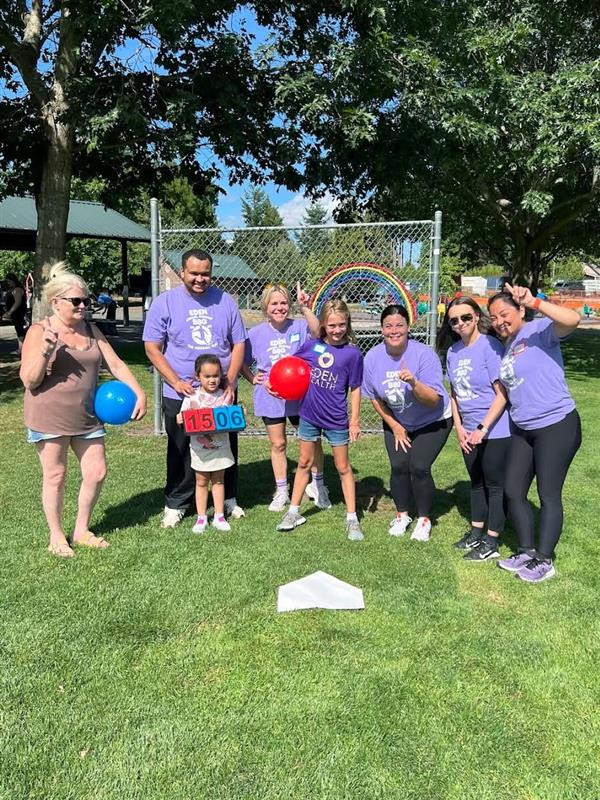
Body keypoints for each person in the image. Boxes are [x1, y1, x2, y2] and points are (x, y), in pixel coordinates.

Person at [19, 263, 147, 557]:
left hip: (87, 415)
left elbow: (115, 364)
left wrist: (138, 391)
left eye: (86, 300)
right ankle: (56, 536)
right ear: (56, 302)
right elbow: (29, 380)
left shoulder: (91, 330)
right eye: (76, 301)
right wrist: (45, 352)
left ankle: (81, 529)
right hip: (49, 415)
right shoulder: (40, 331)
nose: (83, 306)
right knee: (56, 475)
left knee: (97, 471)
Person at [143, 249, 247, 527]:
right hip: (181, 393)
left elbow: (239, 343)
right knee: (180, 449)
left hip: (220, 392)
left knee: (225, 444)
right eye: (194, 273)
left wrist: (233, 378)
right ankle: (177, 503)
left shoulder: (226, 301)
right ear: (182, 272)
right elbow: (152, 347)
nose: (200, 279)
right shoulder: (164, 303)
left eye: (205, 273)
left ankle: (228, 498)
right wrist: (175, 381)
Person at [489, 284, 582, 582]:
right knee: (513, 490)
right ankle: (527, 550)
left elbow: (572, 319)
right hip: (523, 428)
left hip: (556, 424)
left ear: (519, 310)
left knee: (548, 494)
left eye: (504, 314)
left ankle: (545, 559)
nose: (500, 321)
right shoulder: (508, 346)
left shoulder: (541, 329)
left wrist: (536, 302)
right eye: (494, 317)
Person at [362, 304, 452, 542]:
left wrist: (413, 383)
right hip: (398, 420)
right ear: (381, 329)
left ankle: (424, 518)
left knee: (419, 467)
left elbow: (434, 400)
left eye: (399, 325)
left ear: (408, 327)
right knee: (399, 465)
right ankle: (403, 515)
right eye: (388, 326)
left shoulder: (423, 355)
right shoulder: (372, 357)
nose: (394, 330)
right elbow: (374, 397)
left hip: (433, 419)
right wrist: (395, 426)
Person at [276, 299, 364, 540]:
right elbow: (291, 368)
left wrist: (354, 421)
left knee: (343, 467)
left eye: (342, 325)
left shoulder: (352, 354)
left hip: (336, 419)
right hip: (309, 416)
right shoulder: (311, 346)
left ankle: (352, 518)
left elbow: (355, 388)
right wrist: (277, 386)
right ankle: (293, 512)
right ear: (323, 324)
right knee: (304, 463)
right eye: (332, 325)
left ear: (348, 323)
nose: (337, 330)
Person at [241, 282, 330, 511]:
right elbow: (241, 359)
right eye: (274, 303)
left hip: (301, 394)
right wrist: (253, 378)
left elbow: (319, 333)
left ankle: (318, 485)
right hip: (271, 396)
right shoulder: (255, 333)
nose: (279, 307)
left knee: (311, 441)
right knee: (278, 443)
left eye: (283, 303)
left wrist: (305, 308)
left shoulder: (299, 326)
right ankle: (281, 490)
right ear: (265, 306)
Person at [439, 298, 510, 561]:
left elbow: (502, 394)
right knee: (476, 482)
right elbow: (455, 395)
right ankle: (476, 532)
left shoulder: (490, 346)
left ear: (477, 316)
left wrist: (483, 427)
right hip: (468, 431)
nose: (461, 324)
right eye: (454, 320)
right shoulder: (453, 351)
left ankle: (492, 540)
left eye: (466, 318)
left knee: (494, 484)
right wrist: (459, 428)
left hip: (495, 430)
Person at [178, 354, 235, 534]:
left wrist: (236, 415)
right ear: (198, 377)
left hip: (221, 448)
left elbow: (230, 419)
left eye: (216, 376)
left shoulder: (225, 396)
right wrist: (180, 418)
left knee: (219, 480)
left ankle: (219, 515)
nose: (212, 380)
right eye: (207, 376)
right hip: (199, 448)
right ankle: (201, 517)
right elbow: (183, 417)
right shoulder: (192, 397)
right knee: (201, 481)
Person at [2, 273, 29, 352]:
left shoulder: (17, 290)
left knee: (20, 330)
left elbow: (17, 302)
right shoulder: (13, 290)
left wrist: (9, 312)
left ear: (13, 281)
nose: (8, 283)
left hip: (18, 313)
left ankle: (22, 349)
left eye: (9, 281)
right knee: (18, 330)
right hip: (16, 313)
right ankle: (21, 349)